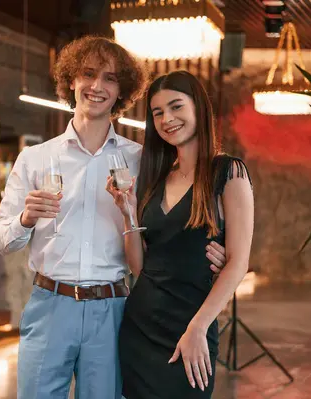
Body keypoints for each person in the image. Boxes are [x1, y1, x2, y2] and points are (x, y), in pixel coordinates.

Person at [0, 36, 228, 399]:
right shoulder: (35, 159)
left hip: (114, 310)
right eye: (88, 74)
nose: (97, 86)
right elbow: (2, 240)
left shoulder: (142, 162)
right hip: (49, 305)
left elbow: (170, 229)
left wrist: (212, 252)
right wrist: (25, 218)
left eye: (110, 78)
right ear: (71, 80)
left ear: (123, 91)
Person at [109, 70, 254, 398]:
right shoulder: (157, 178)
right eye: (157, 112)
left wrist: (198, 327)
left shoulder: (228, 172)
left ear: (198, 108)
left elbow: (238, 262)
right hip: (140, 327)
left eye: (176, 107)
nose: (166, 119)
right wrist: (128, 212)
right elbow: (140, 269)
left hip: (192, 326)